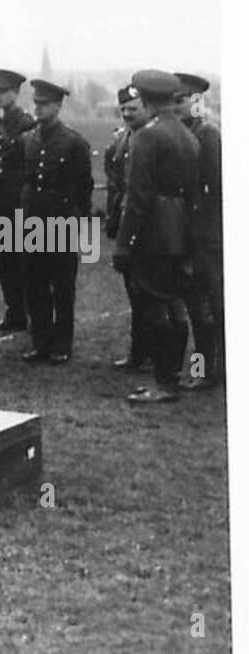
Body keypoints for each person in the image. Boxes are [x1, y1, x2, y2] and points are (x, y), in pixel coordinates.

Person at [113, 70, 200, 404]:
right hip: (180, 230)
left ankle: (163, 383)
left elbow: (137, 198)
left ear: (146, 99)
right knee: (176, 305)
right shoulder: (187, 136)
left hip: (153, 232)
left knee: (153, 305)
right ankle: (173, 377)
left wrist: (124, 244)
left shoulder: (147, 138)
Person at [18, 80, 93, 366]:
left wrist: (82, 232)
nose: (38, 109)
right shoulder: (28, 140)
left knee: (62, 286)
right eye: (36, 103)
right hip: (31, 222)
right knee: (34, 284)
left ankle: (62, 343)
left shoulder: (74, 143)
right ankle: (41, 341)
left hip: (61, 223)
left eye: (45, 104)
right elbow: (24, 181)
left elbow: (83, 189)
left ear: (58, 106)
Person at [0, 70, 38, 332]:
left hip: (18, 198)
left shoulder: (25, 124)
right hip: (2, 197)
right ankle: (13, 311)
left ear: (16, 93)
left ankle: (26, 312)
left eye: (3, 92)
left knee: (22, 260)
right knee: (5, 258)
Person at [175, 72, 222, 391]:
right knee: (198, 309)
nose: (176, 107)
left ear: (196, 101)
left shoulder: (206, 134)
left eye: (181, 101)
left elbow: (213, 189)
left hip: (206, 238)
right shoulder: (187, 133)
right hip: (191, 236)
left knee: (208, 310)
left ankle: (206, 371)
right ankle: (202, 369)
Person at [104, 84, 150, 372]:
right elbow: (114, 184)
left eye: (133, 109)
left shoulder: (150, 139)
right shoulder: (121, 141)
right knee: (134, 291)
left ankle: (157, 354)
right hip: (125, 221)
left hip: (147, 226)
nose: (127, 114)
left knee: (152, 294)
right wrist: (112, 219)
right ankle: (139, 352)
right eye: (123, 109)